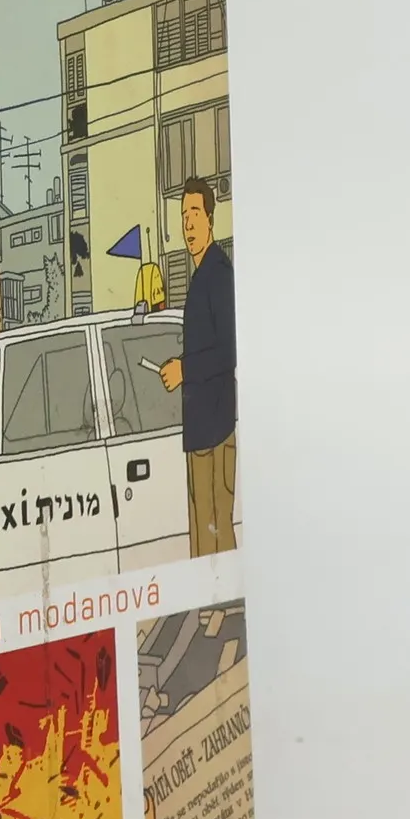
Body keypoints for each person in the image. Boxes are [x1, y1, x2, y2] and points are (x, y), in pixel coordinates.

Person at [157, 177, 237, 556]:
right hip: (202, 432)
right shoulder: (202, 275)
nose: (188, 224)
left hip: (216, 433)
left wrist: (185, 370)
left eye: (194, 213)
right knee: (204, 543)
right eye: (183, 215)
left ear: (210, 219)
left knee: (215, 543)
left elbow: (230, 351)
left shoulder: (218, 274)